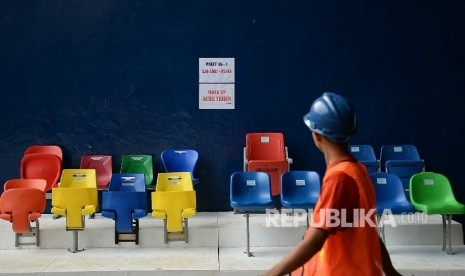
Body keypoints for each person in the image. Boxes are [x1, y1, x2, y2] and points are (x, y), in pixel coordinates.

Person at [265, 92, 401, 276]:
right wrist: (391, 272)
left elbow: (314, 242)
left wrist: (270, 274)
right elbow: (370, 233)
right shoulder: (358, 171)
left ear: (317, 136)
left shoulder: (339, 180)